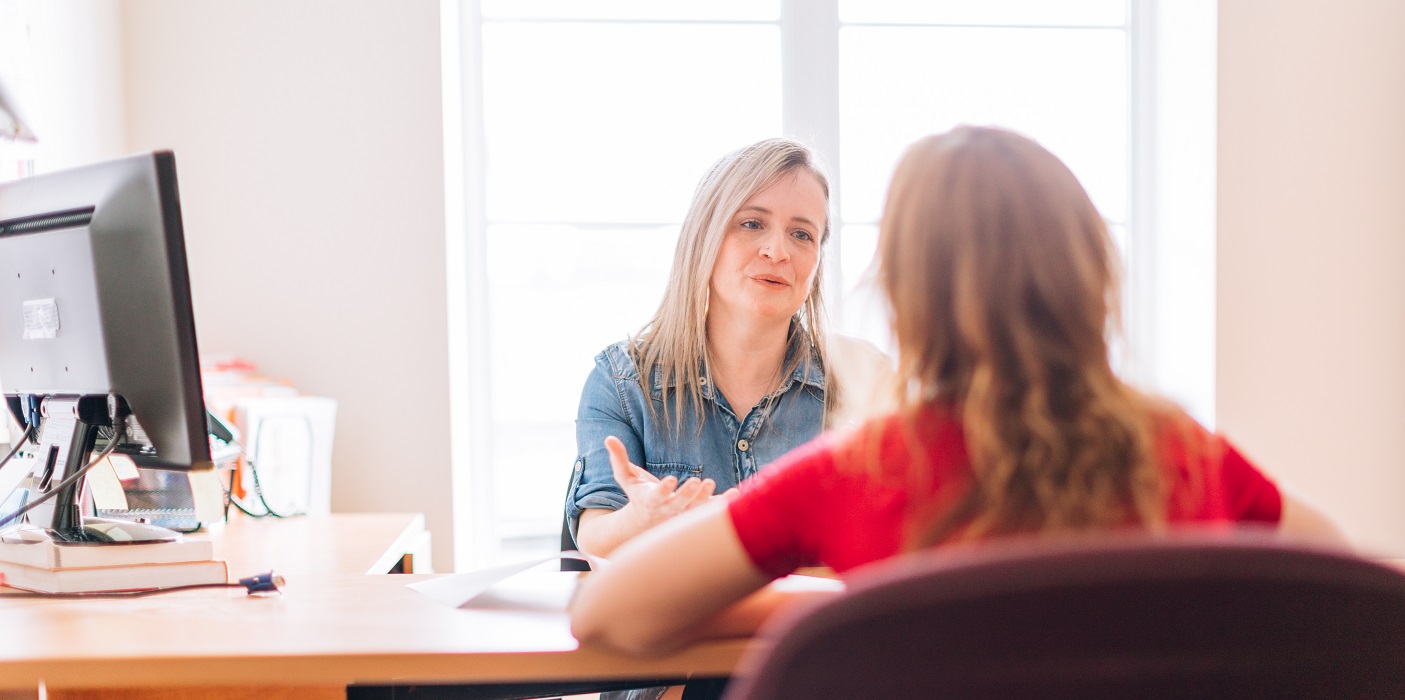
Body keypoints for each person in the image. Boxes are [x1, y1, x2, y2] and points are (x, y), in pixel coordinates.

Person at [569, 126, 1346, 657]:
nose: (778, 249)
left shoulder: (854, 474)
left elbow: (604, 613)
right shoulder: (1183, 457)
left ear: (905, 297)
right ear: (1092, 283)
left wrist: (846, 611)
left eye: (802, 233)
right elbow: (1359, 596)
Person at [565, 138, 893, 566]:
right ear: (706, 237)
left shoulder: (865, 380)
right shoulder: (622, 382)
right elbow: (594, 537)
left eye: (801, 234)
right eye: (752, 224)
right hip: (682, 632)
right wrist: (643, 517)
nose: (778, 252)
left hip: (814, 629)